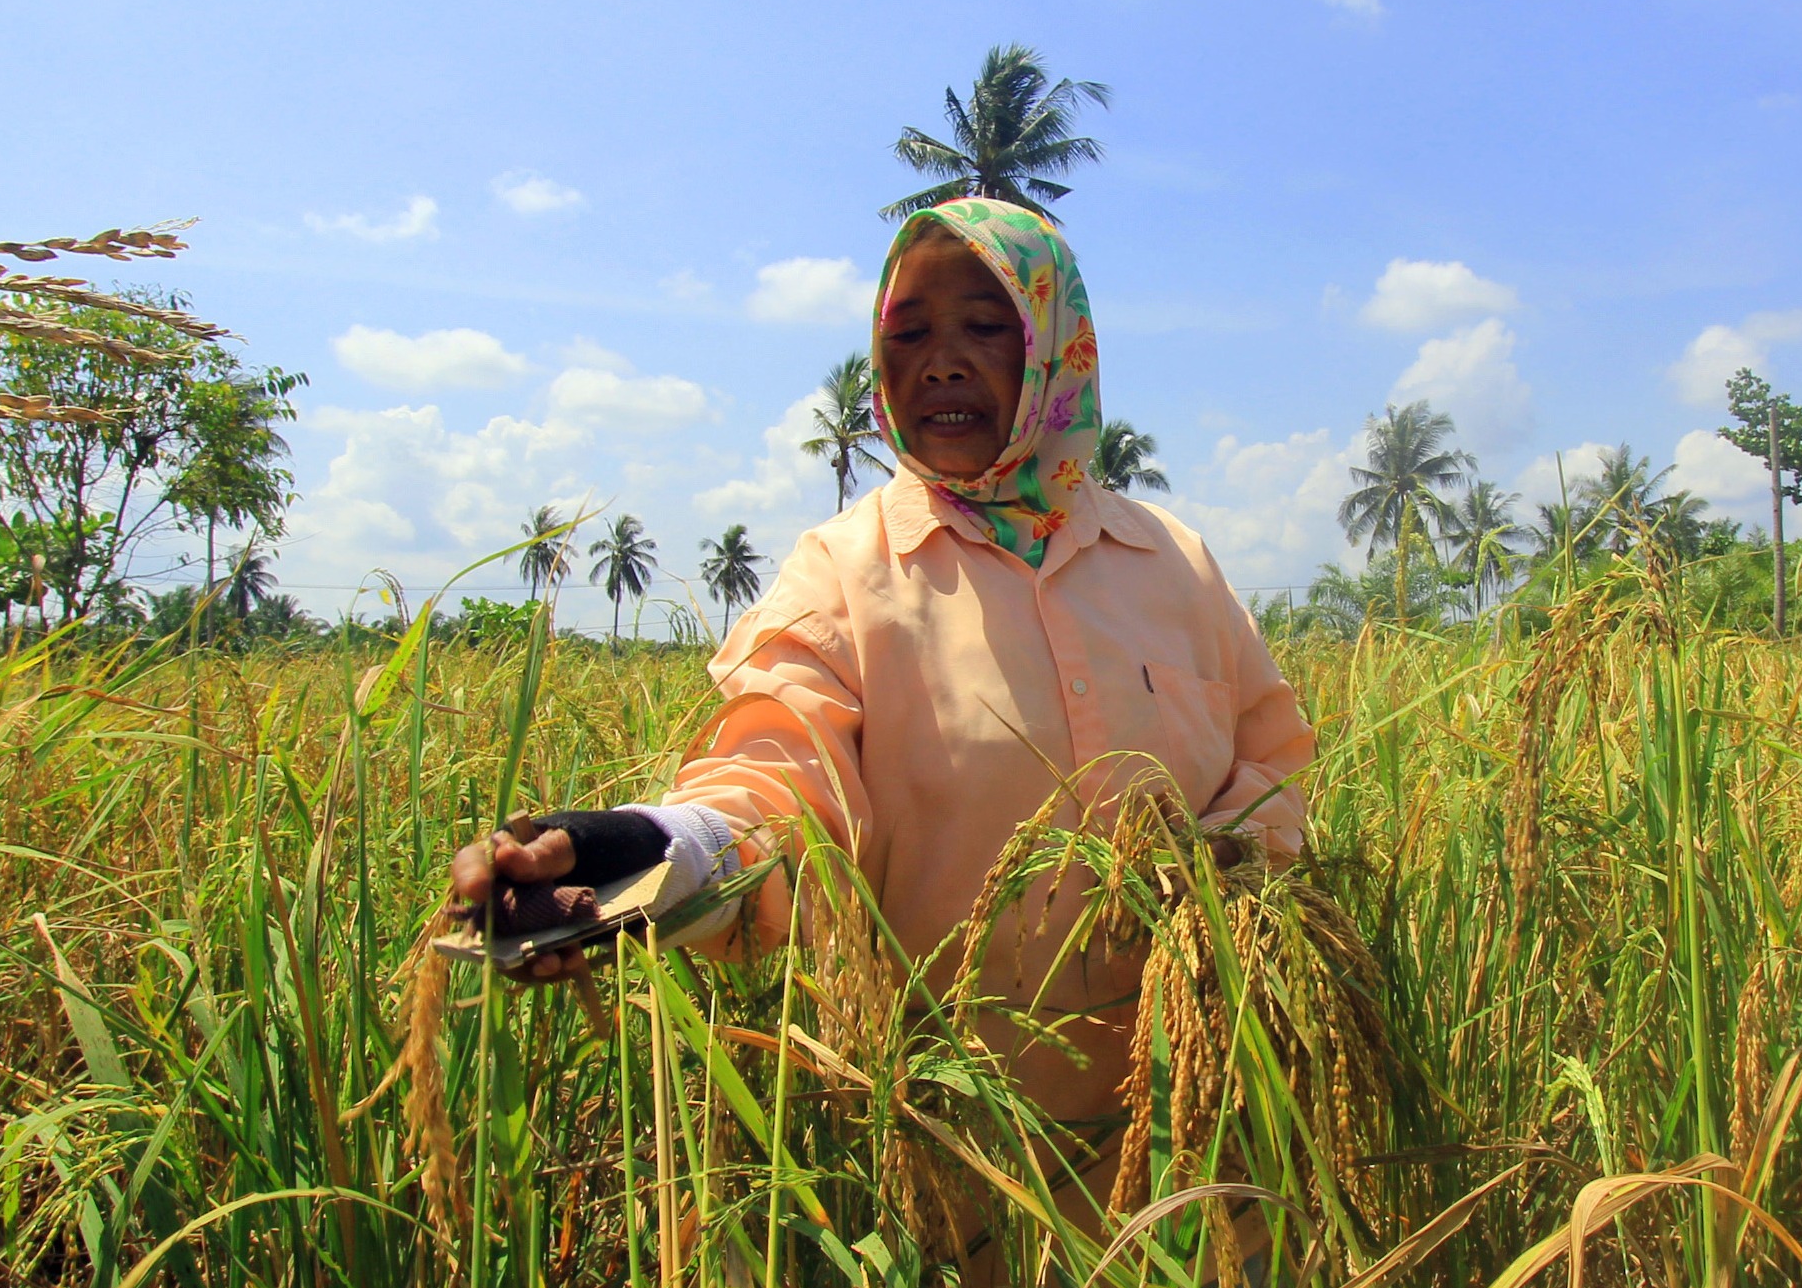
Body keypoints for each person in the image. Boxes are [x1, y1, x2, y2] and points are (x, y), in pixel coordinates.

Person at [441, 196, 1315, 1136]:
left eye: (987, 326)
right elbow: (776, 785)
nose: (941, 360)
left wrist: (1219, 875)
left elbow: (1272, 768)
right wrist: (638, 848)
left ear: (1059, 346)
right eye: (908, 333)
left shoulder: (1174, 563)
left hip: (1209, 1148)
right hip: (961, 1161)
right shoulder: (842, 575)